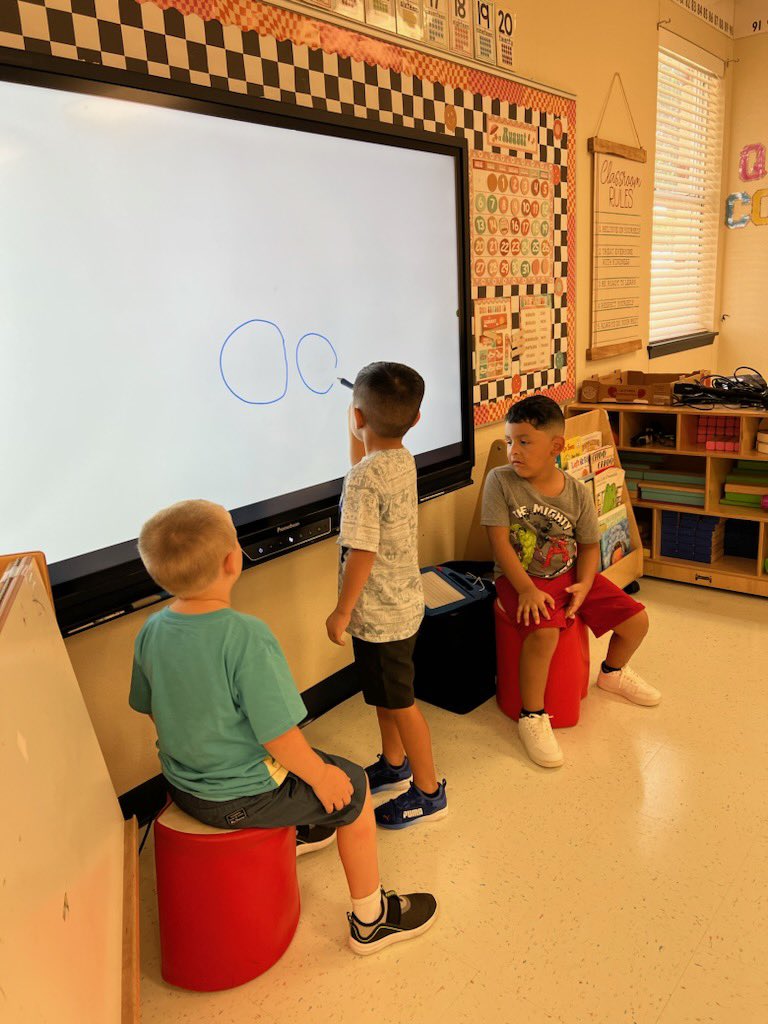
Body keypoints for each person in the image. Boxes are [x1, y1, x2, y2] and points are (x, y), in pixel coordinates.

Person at [129, 499, 437, 954]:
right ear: (234, 560)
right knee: (350, 786)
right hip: (240, 798)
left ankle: (302, 829)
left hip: (182, 786)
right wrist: (322, 777)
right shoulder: (245, 636)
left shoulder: (151, 631)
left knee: (292, 763)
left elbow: (151, 709)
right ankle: (372, 921)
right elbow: (278, 735)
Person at [481, 395, 659, 768]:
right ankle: (532, 715)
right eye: (510, 441)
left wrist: (584, 582)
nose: (514, 450)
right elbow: (499, 543)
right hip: (520, 578)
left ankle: (611, 674)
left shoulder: (576, 492)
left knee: (637, 621)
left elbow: (590, 546)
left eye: (525, 442)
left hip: (571, 575)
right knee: (544, 632)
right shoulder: (501, 482)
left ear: (556, 447)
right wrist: (527, 589)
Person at [326, 362, 447, 828]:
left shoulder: (363, 478)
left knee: (400, 701)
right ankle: (394, 765)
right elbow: (363, 461)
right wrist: (356, 424)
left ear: (357, 417)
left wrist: (341, 610)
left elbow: (362, 550)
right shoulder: (401, 459)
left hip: (378, 614)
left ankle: (429, 790)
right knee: (385, 694)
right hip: (402, 605)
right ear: (415, 421)